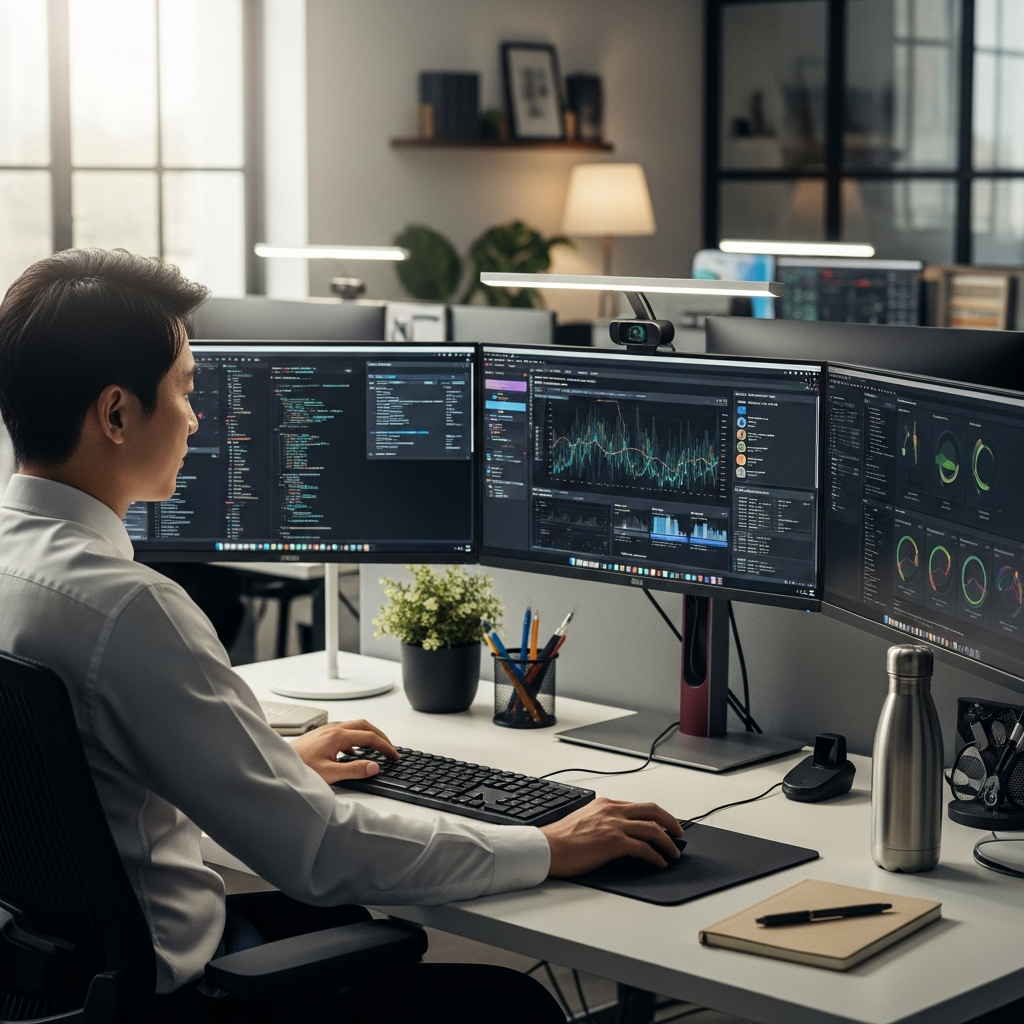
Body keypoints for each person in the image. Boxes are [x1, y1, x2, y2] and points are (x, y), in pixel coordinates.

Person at [0, 249, 683, 1022]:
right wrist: (551, 844)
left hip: (60, 980)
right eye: (187, 391)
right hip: (176, 993)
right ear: (117, 414)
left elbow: (87, 784)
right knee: (507, 1003)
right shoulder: (130, 609)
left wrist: (273, 766)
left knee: (350, 932)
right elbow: (320, 853)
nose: (197, 419)